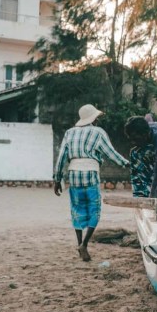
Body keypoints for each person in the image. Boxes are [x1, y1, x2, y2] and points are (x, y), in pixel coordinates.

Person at [53, 104, 130, 262]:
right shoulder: (98, 132)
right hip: (91, 174)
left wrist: (57, 179)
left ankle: (80, 243)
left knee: (77, 210)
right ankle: (85, 245)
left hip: (73, 175)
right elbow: (110, 152)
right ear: (93, 118)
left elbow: (61, 157)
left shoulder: (69, 132)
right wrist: (126, 163)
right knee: (94, 209)